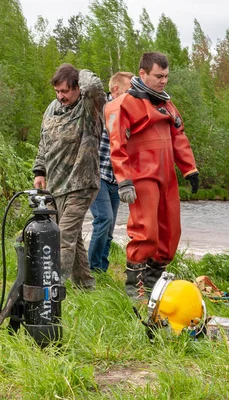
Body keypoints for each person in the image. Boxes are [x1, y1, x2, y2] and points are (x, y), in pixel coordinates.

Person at [105, 52, 199, 300]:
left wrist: (189, 169)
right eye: (159, 76)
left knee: (170, 232)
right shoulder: (124, 104)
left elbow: (179, 137)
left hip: (167, 174)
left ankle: (154, 283)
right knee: (146, 231)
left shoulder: (167, 104)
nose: (164, 81)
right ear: (143, 73)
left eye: (166, 76)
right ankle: (134, 286)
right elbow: (117, 145)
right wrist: (124, 180)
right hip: (142, 174)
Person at [33, 63, 106, 290]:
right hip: (55, 184)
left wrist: (76, 71)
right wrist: (39, 170)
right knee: (73, 237)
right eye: (57, 91)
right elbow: (44, 141)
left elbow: (93, 85)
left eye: (65, 91)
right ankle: (85, 285)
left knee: (61, 236)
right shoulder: (52, 108)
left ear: (77, 88)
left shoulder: (88, 106)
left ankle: (52, 290)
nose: (61, 96)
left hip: (81, 183)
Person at [88, 72, 134, 273]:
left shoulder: (130, 113)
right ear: (115, 90)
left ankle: (101, 271)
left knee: (109, 229)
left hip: (117, 179)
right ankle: (92, 268)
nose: (132, 96)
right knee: (104, 220)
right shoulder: (100, 109)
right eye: (128, 91)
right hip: (97, 176)